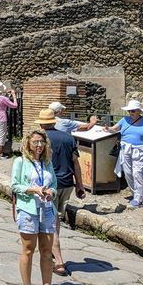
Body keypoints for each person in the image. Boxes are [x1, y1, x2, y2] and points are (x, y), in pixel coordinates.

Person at [10, 129, 58, 285]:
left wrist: (51, 192)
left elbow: (53, 183)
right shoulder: (20, 162)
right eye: (35, 142)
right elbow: (14, 185)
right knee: (28, 249)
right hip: (28, 209)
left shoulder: (47, 162)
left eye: (42, 142)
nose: (39, 145)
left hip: (46, 209)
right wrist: (34, 190)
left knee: (47, 250)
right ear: (28, 143)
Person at [37, 109, 86, 276]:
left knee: (52, 224)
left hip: (49, 186)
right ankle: (49, 252)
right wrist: (80, 185)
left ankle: (58, 262)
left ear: (42, 124)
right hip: (67, 184)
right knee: (55, 220)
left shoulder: (41, 140)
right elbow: (76, 163)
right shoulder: (68, 137)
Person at [104, 100, 143, 209]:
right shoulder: (124, 120)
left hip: (139, 151)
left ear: (139, 111)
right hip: (125, 149)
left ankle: (138, 198)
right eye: (129, 111)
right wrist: (108, 129)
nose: (130, 113)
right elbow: (114, 129)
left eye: (133, 111)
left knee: (137, 173)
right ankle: (135, 194)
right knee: (128, 172)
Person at [0, 82, 18, 160]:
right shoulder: (3, 98)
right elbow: (14, 106)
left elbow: (0, 100)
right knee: (1, 136)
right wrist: (14, 97)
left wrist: (7, 95)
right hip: (1, 119)